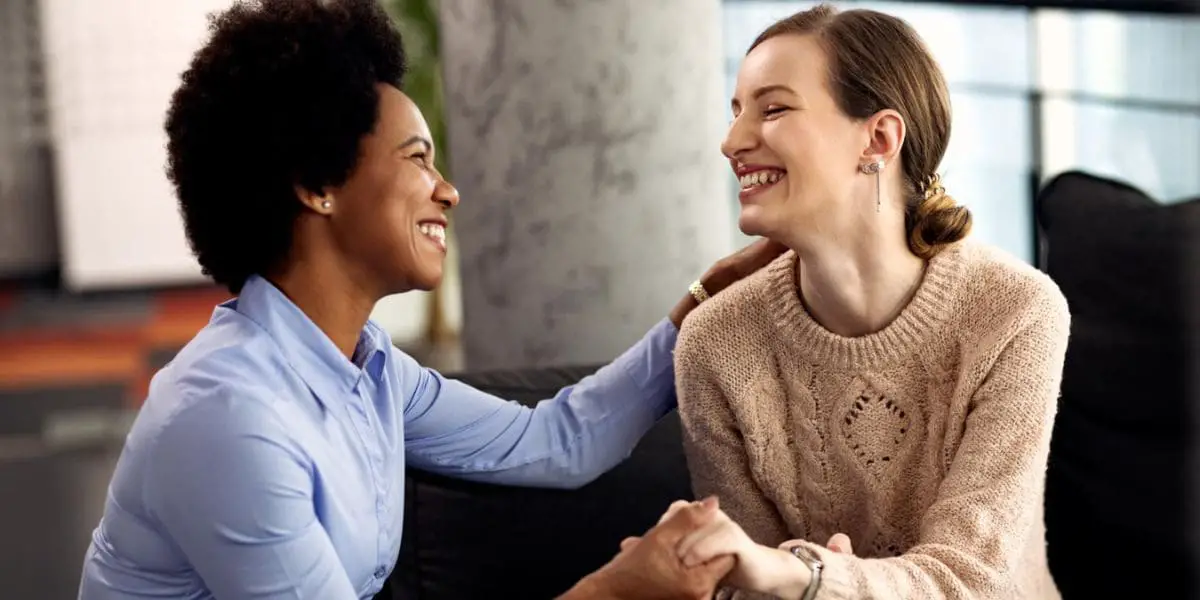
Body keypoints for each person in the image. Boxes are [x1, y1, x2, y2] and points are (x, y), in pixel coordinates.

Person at [74, 1, 784, 599]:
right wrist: (617, 588)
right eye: (417, 158)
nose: (448, 189)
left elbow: (557, 440)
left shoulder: (368, 366)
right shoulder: (230, 423)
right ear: (317, 184)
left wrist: (701, 304)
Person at [670, 4, 1071, 600]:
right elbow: (744, 584)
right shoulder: (715, 343)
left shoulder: (1014, 311)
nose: (732, 142)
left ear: (878, 138)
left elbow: (971, 579)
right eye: (735, 113)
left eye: (772, 109)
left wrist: (807, 576)